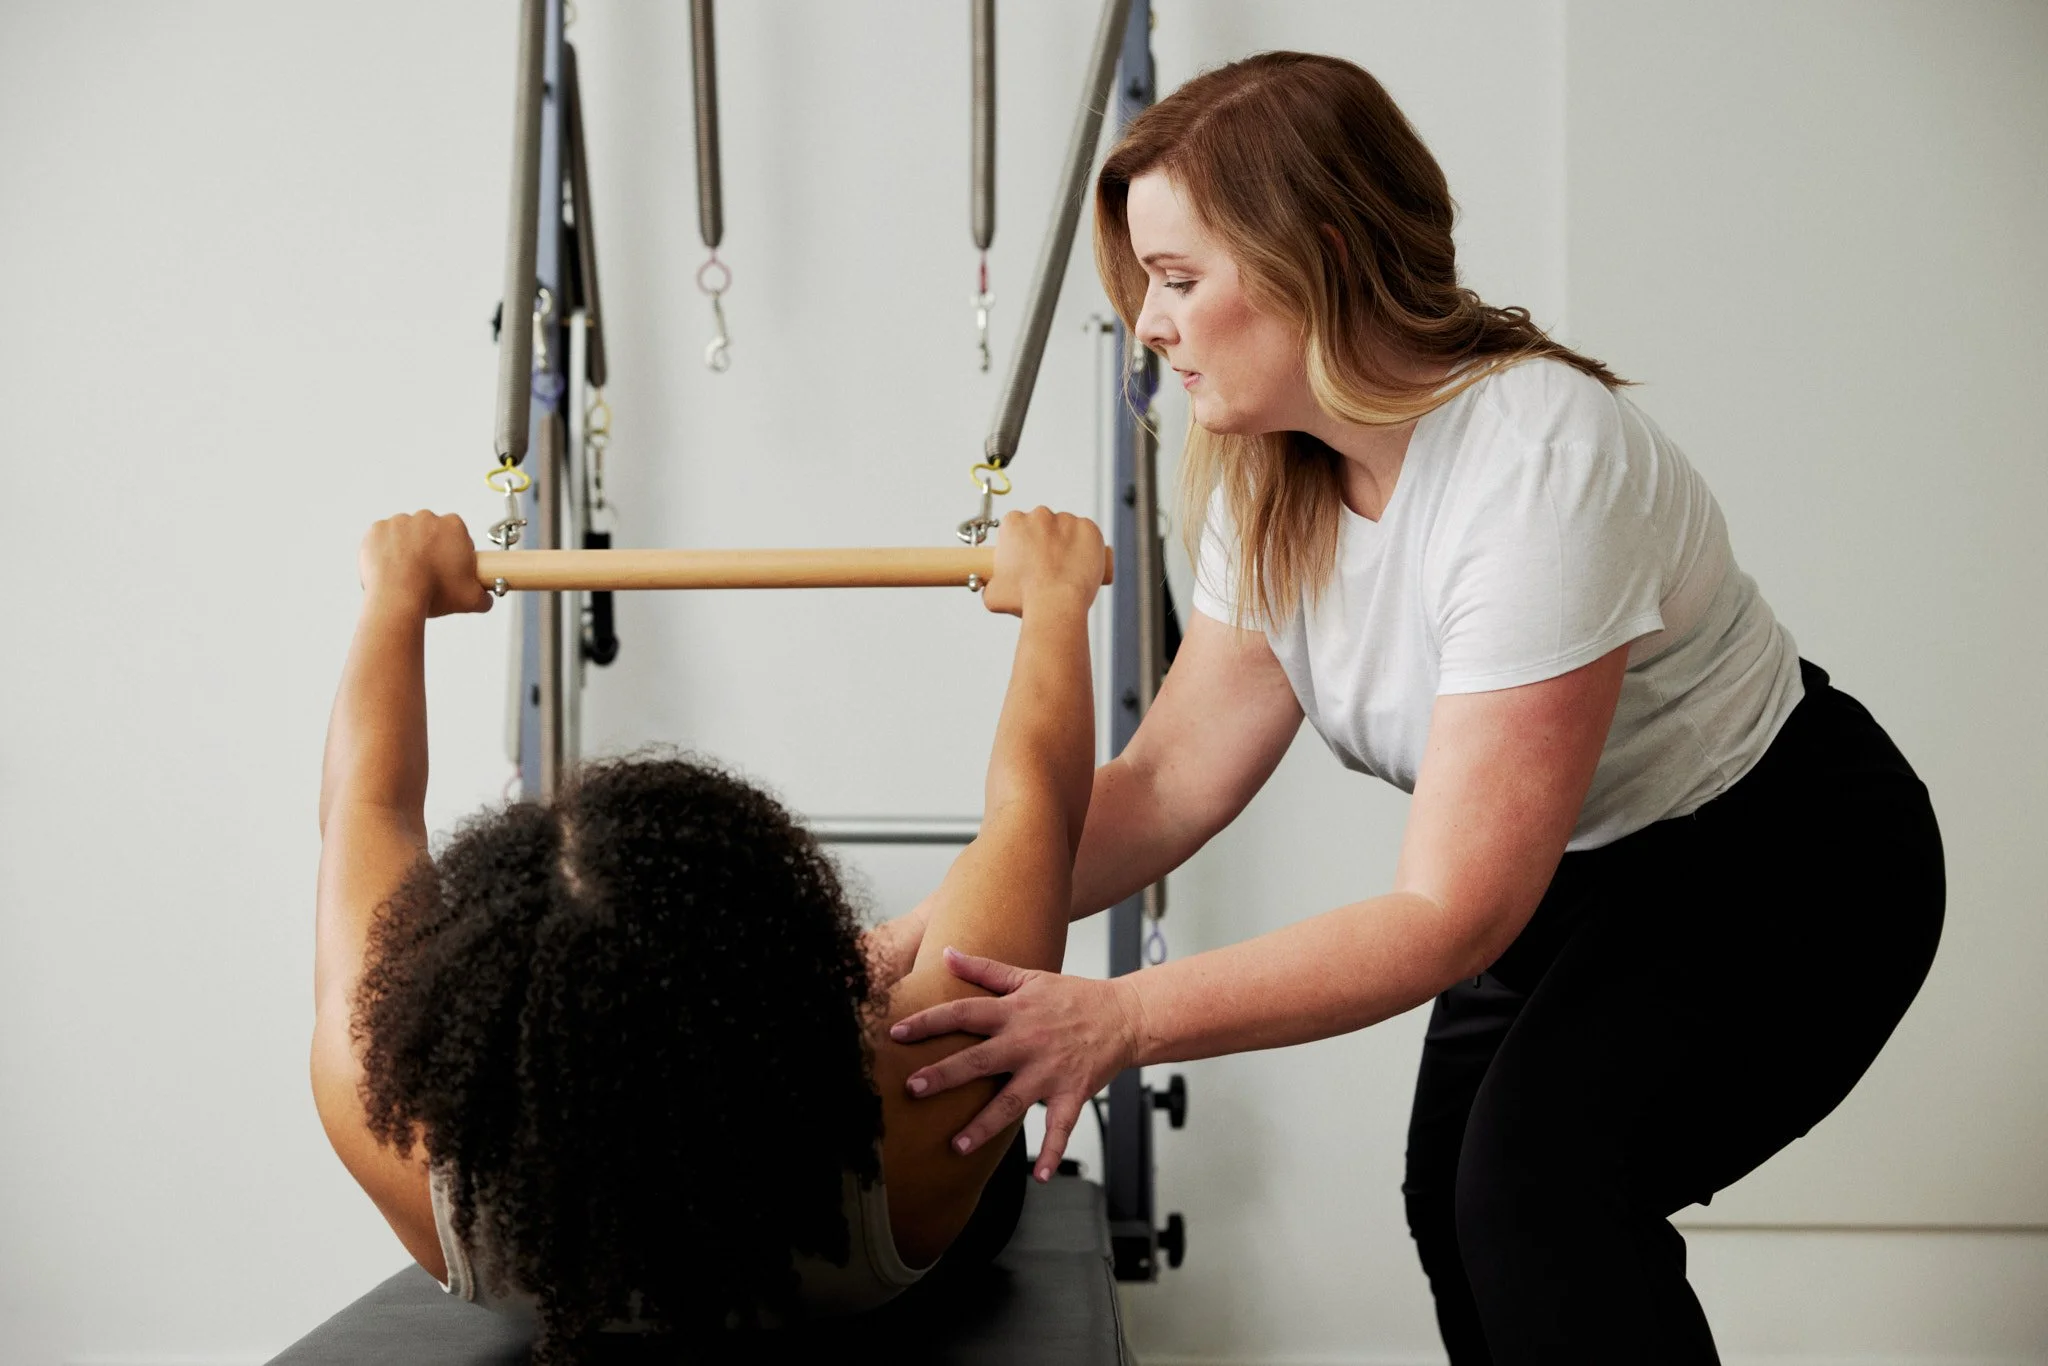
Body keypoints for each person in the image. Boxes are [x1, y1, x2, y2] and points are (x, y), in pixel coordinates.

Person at [871, 52, 1945, 1365]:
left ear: (1319, 258)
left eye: (1179, 279)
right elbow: (1165, 788)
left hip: (1782, 858)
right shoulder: (1277, 475)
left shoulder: (1536, 467)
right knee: (1454, 1199)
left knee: (1539, 1191)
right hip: (1571, 869)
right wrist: (915, 932)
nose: (1148, 324)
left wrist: (1123, 1018)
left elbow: (1451, 912)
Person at [308, 506, 1105, 1361]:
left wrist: (394, 593)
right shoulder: (920, 1110)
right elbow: (1036, 809)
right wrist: (1055, 596)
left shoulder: (378, 1102)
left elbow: (369, 805)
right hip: (883, 1219)